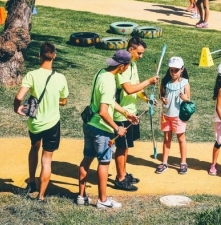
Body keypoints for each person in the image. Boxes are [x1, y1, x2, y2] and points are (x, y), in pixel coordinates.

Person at [77, 50, 139, 209]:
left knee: (87, 159)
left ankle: (81, 196)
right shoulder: (111, 81)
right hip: (101, 129)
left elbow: (109, 101)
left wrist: (126, 113)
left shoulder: (101, 73)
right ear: (123, 66)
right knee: (104, 163)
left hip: (89, 124)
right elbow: (104, 111)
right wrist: (117, 127)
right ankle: (102, 200)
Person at [13, 42, 69, 202]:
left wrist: (17, 109)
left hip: (35, 123)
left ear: (39, 56)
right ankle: (41, 196)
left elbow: (19, 97)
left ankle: (31, 182)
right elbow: (63, 100)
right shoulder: (60, 78)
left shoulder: (32, 75)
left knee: (34, 148)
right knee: (47, 159)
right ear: (54, 56)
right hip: (52, 123)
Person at [113, 37, 159, 191]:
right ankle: (120, 179)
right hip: (120, 114)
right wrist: (149, 81)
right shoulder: (123, 67)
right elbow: (128, 89)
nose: (141, 56)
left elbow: (137, 89)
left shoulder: (132, 65)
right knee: (121, 147)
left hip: (131, 113)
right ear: (131, 50)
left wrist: (147, 99)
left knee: (126, 147)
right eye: (139, 53)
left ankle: (124, 174)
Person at [155, 57, 191, 175]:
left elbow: (188, 100)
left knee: (181, 139)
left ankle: (183, 163)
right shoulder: (165, 82)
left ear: (182, 69)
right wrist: (163, 100)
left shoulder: (185, 83)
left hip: (178, 116)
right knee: (166, 139)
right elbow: (161, 95)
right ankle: (164, 162)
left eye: (176, 70)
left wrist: (185, 99)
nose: (173, 72)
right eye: (171, 70)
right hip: (166, 115)